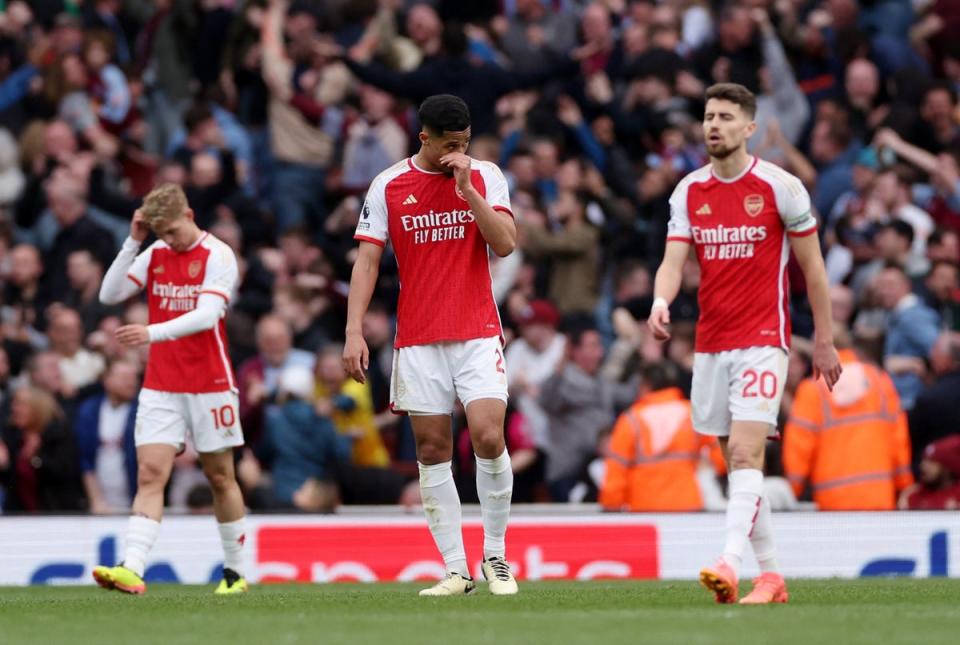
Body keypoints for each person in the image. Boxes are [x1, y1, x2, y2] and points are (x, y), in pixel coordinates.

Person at [648, 83, 842, 605]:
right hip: (711, 344)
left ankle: (729, 562)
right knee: (736, 466)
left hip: (764, 338)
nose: (714, 125)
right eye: (709, 116)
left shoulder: (782, 187)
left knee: (744, 451)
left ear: (749, 128)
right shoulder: (689, 190)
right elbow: (672, 260)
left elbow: (813, 269)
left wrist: (824, 340)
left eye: (726, 117)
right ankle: (773, 577)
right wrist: (660, 302)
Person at [343, 94, 518, 596]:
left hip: (477, 331)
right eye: (449, 146)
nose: (457, 154)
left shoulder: (485, 175)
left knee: (488, 436)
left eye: (463, 144)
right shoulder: (389, 185)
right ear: (424, 138)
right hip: (418, 339)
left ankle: (497, 556)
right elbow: (368, 261)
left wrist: (467, 190)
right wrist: (354, 330)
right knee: (433, 449)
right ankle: (456, 570)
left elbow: (504, 243)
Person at [91, 183, 248, 595]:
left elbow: (206, 315)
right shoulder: (156, 252)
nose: (171, 242)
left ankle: (235, 572)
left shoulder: (219, 255)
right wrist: (133, 241)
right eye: (162, 235)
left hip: (210, 383)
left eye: (174, 232)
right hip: (161, 384)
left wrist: (150, 332)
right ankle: (132, 567)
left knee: (219, 477)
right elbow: (109, 294)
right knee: (150, 473)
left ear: (190, 216)